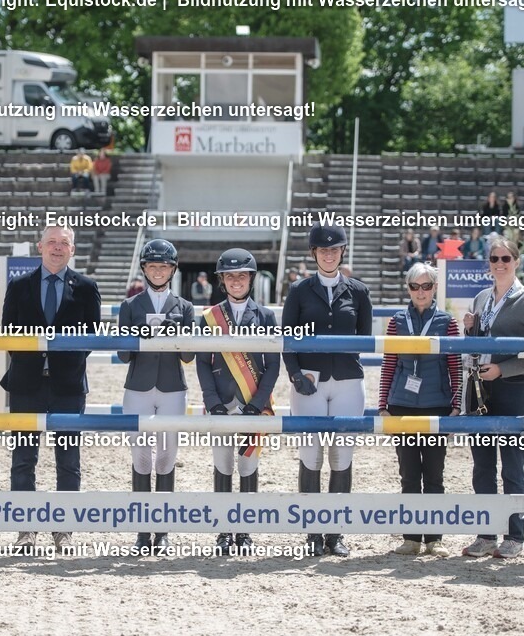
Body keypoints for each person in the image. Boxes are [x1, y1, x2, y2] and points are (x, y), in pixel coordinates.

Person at [0, 225, 101, 554]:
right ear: (40, 246)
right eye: (52, 242)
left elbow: (90, 338)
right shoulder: (18, 286)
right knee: (23, 459)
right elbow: (8, 334)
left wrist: (60, 364)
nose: (57, 248)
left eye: (64, 243)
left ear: (73, 250)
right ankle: (25, 530)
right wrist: (36, 361)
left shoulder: (87, 287)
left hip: (68, 386)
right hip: (26, 384)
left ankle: (64, 530)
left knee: (68, 460)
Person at [282, 224, 372, 557]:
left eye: (334, 250)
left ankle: (335, 533)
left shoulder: (359, 292)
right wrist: (294, 376)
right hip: (310, 382)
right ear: (314, 254)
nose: (329, 255)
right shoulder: (299, 290)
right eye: (323, 250)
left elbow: (362, 339)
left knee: (341, 456)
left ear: (342, 252)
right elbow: (288, 340)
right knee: (310, 455)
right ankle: (311, 532)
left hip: (348, 379)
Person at [196, 248, 280, 556]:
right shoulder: (210, 317)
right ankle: (222, 530)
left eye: (241, 276)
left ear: (251, 279)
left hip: (253, 401)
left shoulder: (267, 316)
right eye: (230, 276)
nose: (236, 281)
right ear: (222, 281)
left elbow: (273, 365)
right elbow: (203, 362)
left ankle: (244, 529)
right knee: (222, 465)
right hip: (221, 400)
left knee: (248, 464)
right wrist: (212, 400)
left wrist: (258, 403)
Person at [379, 263, 462, 557]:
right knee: (409, 474)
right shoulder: (396, 321)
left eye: (426, 286)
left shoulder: (447, 322)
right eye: (415, 287)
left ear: (435, 288)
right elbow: (389, 363)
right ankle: (412, 537)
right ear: (408, 289)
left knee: (435, 475)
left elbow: (455, 365)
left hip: (436, 406)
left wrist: (457, 403)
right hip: (402, 405)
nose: (421, 292)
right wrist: (382, 404)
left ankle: (435, 538)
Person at [118, 239, 195, 555]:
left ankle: (162, 531)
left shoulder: (186, 307)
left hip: (172, 387)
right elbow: (123, 354)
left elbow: (189, 356)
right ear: (144, 269)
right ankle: (141, 531)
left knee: (165, 457)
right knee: (140, 458)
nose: (158, 271)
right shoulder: (130, 306)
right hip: (138, 387)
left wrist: (175, 337)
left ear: (173, 270)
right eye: (153, 266)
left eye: (163, 266)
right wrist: (142, 337)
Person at [461, 237, 524, 560]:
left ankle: (515, 535)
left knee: (512, 466)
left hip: (513, 388)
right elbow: (474, 346)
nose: (500, 263)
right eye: (494, 259)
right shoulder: (480, 299)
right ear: (488, 263)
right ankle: (486, 533)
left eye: (506, 258)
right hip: (479, 389)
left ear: (516, 261)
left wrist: (502, 370)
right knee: (482, 466)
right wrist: (469, 332)